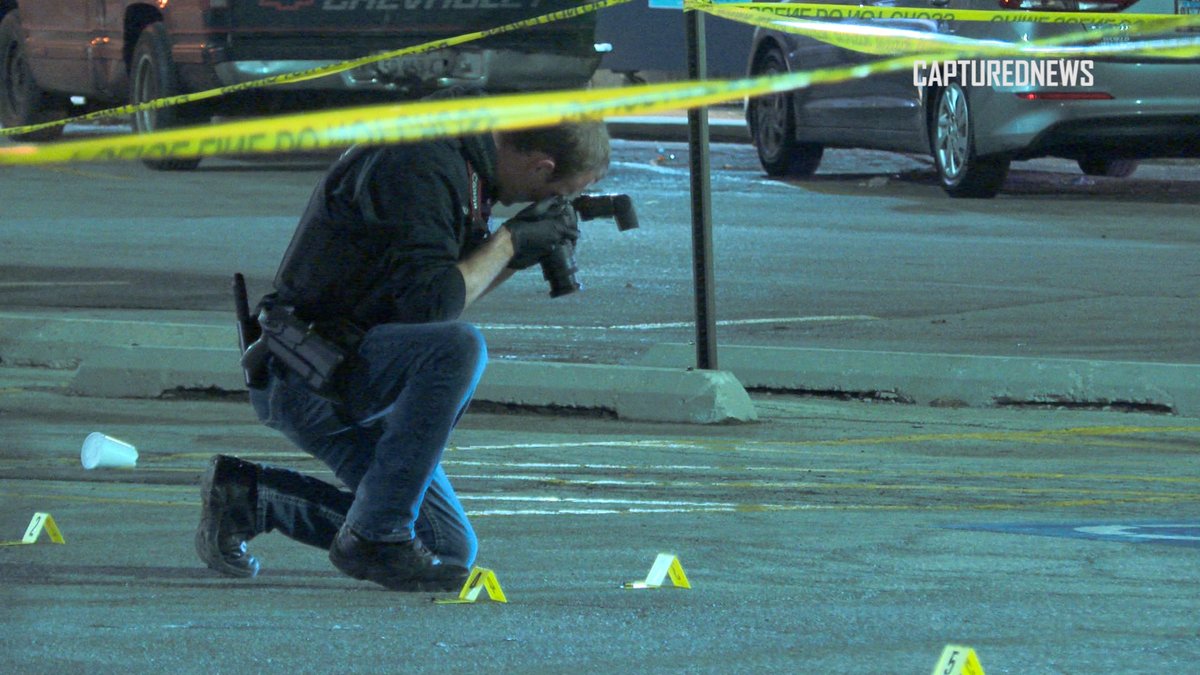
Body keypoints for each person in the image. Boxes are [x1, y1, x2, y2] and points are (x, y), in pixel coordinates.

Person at [195, 121, 610, 591]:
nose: (543, 205)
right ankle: (376, 535)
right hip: (311, 374)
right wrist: (510, 241)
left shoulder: (466, 167)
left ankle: (250, 497)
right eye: (557, 193)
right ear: (541, 166)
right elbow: (431, 307)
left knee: (446, 551)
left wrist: (516, 252)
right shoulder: (419, 165)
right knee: (458, 347)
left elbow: (447, 293)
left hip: (353, 371)